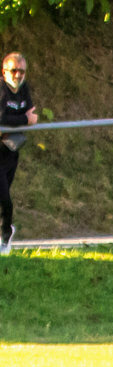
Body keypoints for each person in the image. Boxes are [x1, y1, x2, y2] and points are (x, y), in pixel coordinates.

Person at [0, 52, 36, 256]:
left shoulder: (23, 89)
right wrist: (24, 119)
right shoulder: (1, 89)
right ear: (4, 71)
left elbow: (32, 113)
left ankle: (3, 237)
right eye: (14, 70)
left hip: (11, 152)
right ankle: (5, 236)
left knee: (3, 197)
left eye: (22, 71)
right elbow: (2, 117)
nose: (18, 74)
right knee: (5, 199)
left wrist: (23, 118)